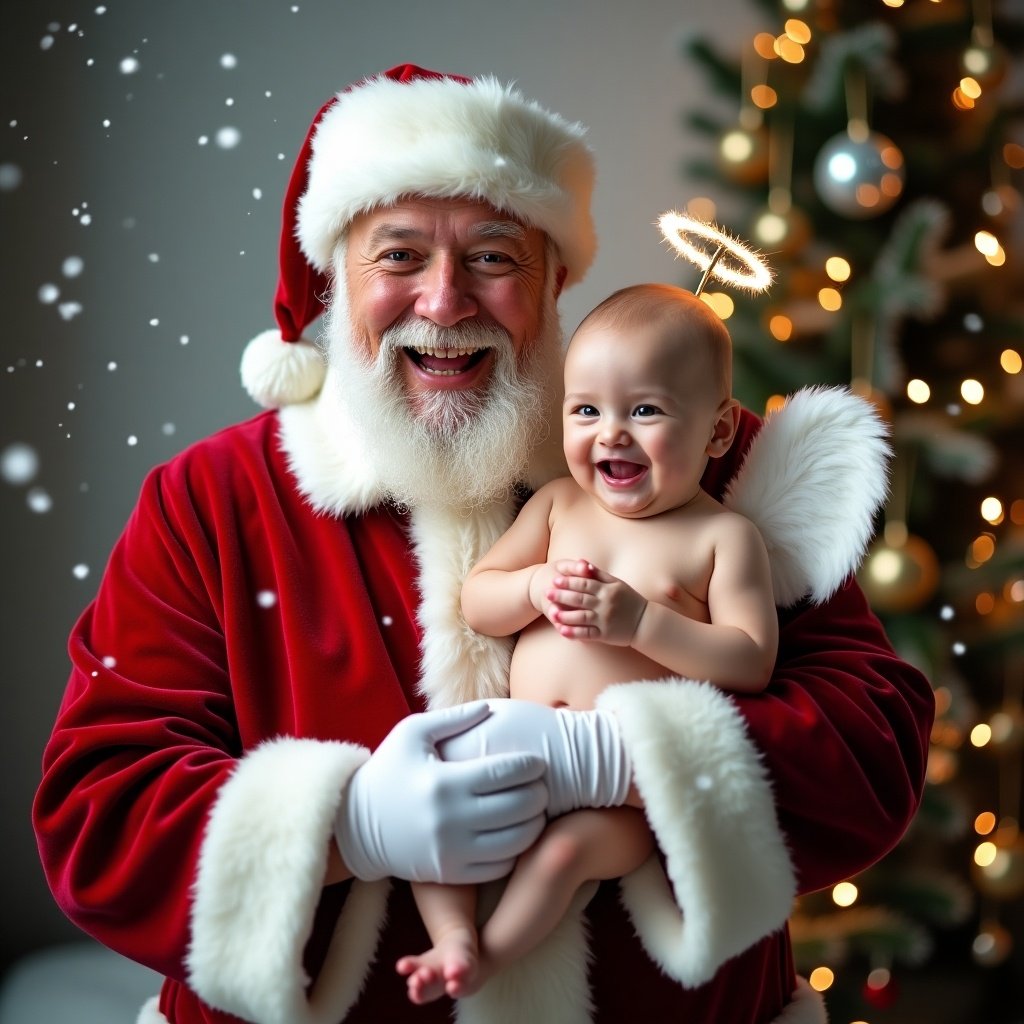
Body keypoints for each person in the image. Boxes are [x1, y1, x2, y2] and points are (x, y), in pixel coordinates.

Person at [32, 65, 935, 1024]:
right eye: (399, 256)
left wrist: (624, 761)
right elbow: (99, 814)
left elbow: (872, 744)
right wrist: (352, 825)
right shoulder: (210, 501)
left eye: (494, 257)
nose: (444, 301)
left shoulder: (703, 460)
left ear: (554, 279)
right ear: (336, 277)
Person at [399, 282, 779, 1005]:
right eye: (586, 410)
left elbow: (751, 659)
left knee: (565, 855)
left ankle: (490, 956)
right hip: (527, 743)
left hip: (625, 778)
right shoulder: (558, 505)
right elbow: (479, 602)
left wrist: (644, 624)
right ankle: (450, 938)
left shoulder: (722, 538)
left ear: (719, 432)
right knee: (427, 798)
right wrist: (534, 586)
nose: (610, 434)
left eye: (644, 410)